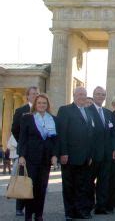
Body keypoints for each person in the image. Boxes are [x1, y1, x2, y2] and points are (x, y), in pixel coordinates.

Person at [18, 93, 58, 221]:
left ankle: (39, 214)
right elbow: (22, 138)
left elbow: (54, 140)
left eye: (44, 103)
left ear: (47, 105)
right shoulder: (27, 118)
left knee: (42, 187)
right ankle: (28, 215)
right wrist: (21, 155)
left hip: (45, 158)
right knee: (31, 187)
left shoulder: (53, 119)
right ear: (35, 104)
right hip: (30, 158)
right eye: (39, 103)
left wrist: (54, 155)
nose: (42, 105)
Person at [58, 87, 95, 220]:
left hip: (85, 157)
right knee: (69, 186)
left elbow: (90, 135)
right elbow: (62, 133)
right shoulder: (65, 110)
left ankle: (79, 210)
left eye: (84, 94)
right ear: (74, 95)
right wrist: (63, 153)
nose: (82, 97)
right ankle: (69, 212)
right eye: (79, 94)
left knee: (81, 186)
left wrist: (90, 155)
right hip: (70, 155)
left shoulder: (88, 112)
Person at [85, 86, 115, 215]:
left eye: (103, 94)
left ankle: (101, 207)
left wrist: (114, 148)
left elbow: (113, 133)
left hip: (106, 154)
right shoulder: (87, 111)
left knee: (104, 182)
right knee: (89, 182)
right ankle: (87, 207)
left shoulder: (109, 113)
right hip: (93, 154)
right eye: (98, 94)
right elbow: (86, 135)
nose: (100, 96)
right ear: (93, 95)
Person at [11, 86, 39, 217]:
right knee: (23, 178)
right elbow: (15, 129)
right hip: (26, 152)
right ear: (27, 96)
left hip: (38, 151)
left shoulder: (42, 110)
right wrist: (23, 144)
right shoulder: (21, 111)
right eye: (32, 94)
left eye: (37, 93)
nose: (35, 96)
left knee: (36, 181)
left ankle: (33, 207)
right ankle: (19, 206)